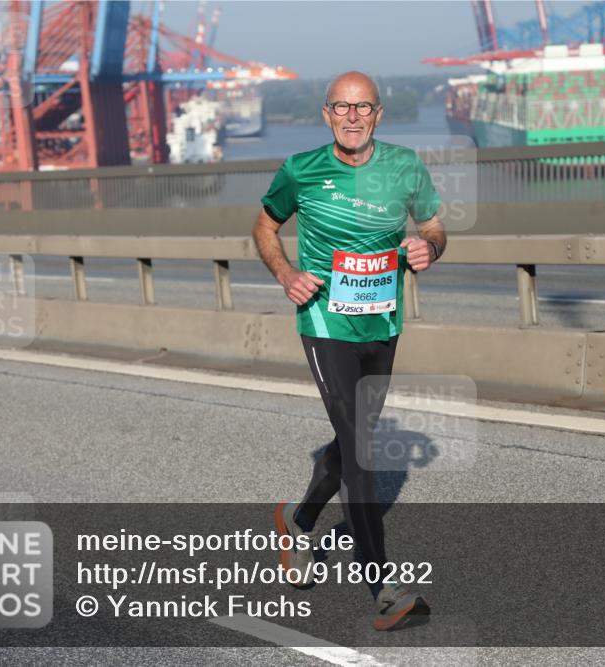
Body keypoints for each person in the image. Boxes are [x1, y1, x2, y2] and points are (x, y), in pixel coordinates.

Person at [254, 71, 447, 631]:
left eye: (363, 108)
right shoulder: (302, 170)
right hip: (324, 323)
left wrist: (428, 247)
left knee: (350, 436)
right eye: (343, 107)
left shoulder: (405, 167)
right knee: (361, 447)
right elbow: (265, 225)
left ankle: (299, 519)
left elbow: (435, 226)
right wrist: (287, 272)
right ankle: (383, 590)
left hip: (382, 325)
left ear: (379, 115)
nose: (353, 116)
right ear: (327, 115)